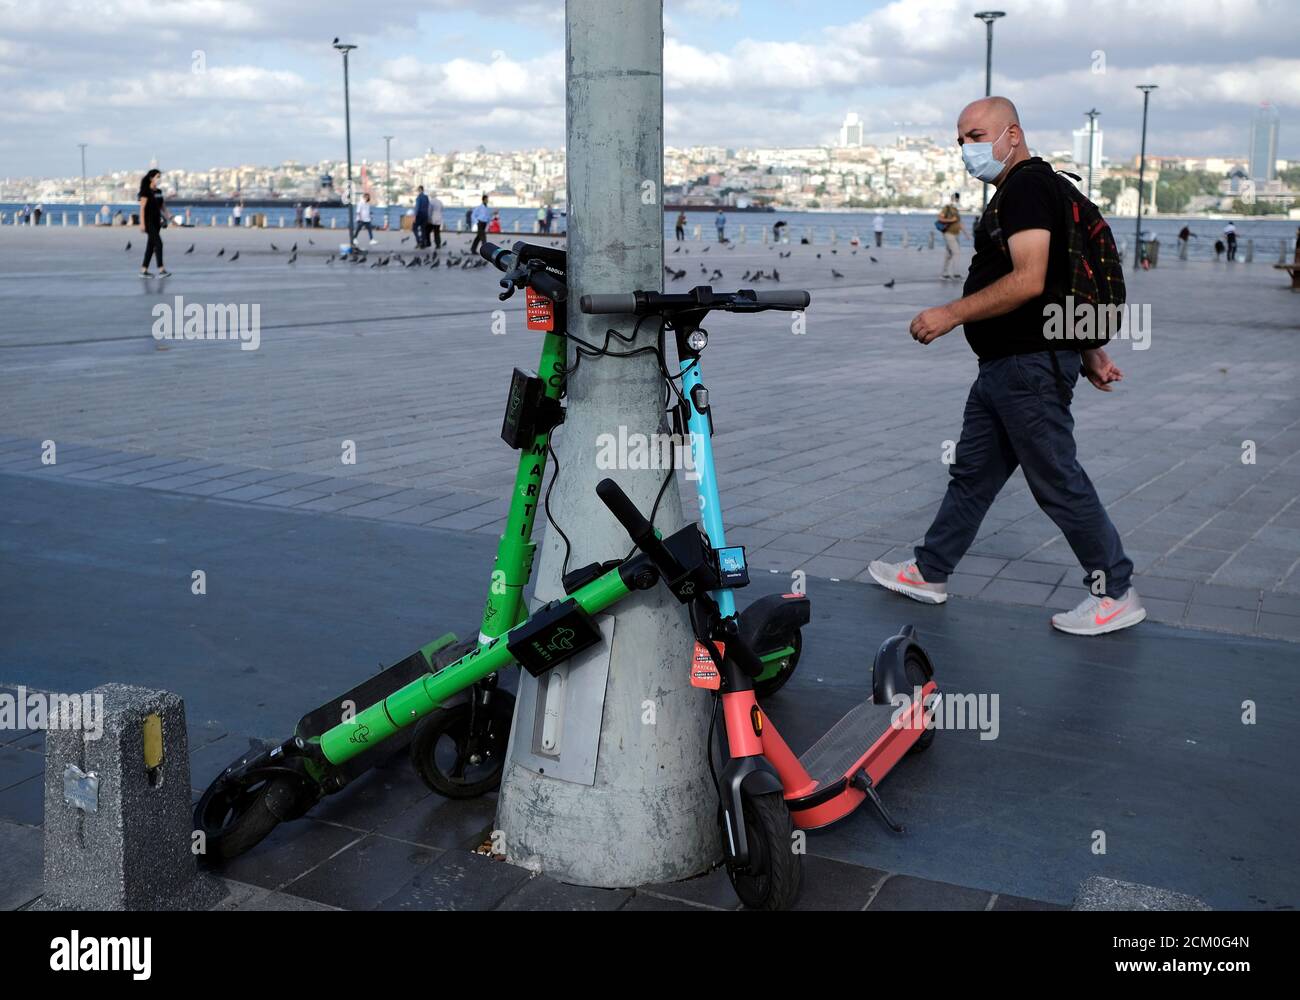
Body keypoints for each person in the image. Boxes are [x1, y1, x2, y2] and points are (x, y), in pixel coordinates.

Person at [869, 96, 1144, 637]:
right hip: (1009, 365)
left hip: (1026, 368)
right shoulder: (1039, 190)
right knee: (973, 474)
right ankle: (930, 571)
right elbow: (1066, 279)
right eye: (961, 140)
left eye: (976, 136)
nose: (967, 149)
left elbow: (1030, 279)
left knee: (1056, 479)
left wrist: (950, 312)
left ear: (1011, 135)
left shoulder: (1024, 188)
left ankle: (1114, 590)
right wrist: (1087, 350)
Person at [137, 168, 177, 278]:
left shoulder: (159, 192)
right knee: (159, 244)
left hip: (157, 222)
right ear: (151, 178)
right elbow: (142, 208)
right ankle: (161, 269)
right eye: (157, 177)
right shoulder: (145, 192)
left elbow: (163, 207)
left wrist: (171, 218)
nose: (159, 179)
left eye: (160, 177)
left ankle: (143, 270)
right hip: (148, 221)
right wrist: (142, 224)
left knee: (150, 246)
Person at [937, 194, 963, 279]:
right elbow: (940, 218)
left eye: (957, 199)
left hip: (955, 234)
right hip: (948, 233)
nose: (957, 200)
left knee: (949, 254)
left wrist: (967, 234)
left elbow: (958, 223)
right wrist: (951, 220)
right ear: (952, 199)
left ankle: (944, 274)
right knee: (956, 252)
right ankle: (955, 274)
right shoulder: (947, 208)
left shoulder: (956, 209)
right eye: (956, 199)